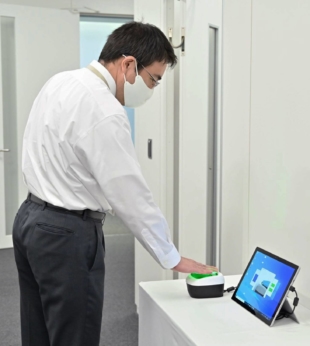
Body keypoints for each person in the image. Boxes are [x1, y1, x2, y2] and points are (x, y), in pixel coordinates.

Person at [12, 21, 218, 346]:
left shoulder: (60, 82)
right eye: (154, 79)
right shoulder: (105, 110)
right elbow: (131, 196)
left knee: (37, 332)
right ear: (128, 64)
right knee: (73, 337)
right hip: (66, 236)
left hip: (28, 220)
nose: (151, 90)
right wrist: (170, 255)